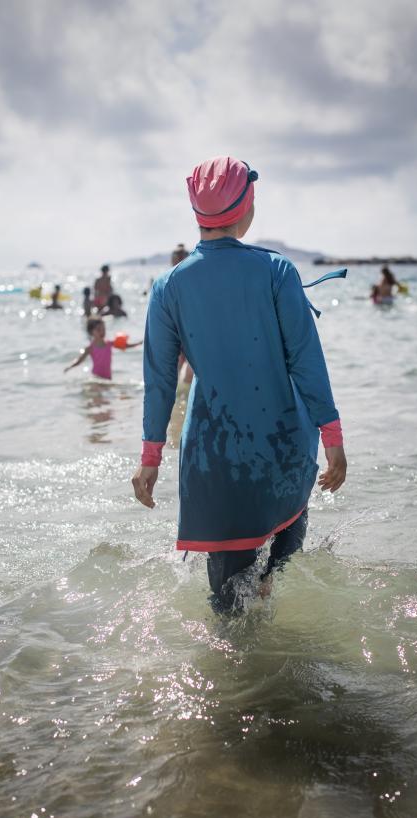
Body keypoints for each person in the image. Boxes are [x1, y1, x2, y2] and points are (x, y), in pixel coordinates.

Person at [132, 155, 347, 615]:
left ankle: (230, 683)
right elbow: (307, 362)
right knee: (276, 582)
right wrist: (333, 438)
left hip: (214, 460)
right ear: (246, 206)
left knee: (228, 608)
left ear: (198, 214)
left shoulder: (168, 285)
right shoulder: (276, 270)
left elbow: (159, 381)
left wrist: (151, 457)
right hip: (284, 451)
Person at [64, 318, 141, 379]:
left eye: (104, 329)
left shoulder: (109, 344)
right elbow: (79, 360)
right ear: (91, 332)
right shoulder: (90, 348)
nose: (102, 332)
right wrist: (70, 366)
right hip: (96, 378)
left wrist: (138, 344)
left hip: (108, 378)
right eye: (98, 330)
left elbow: (124, 345)